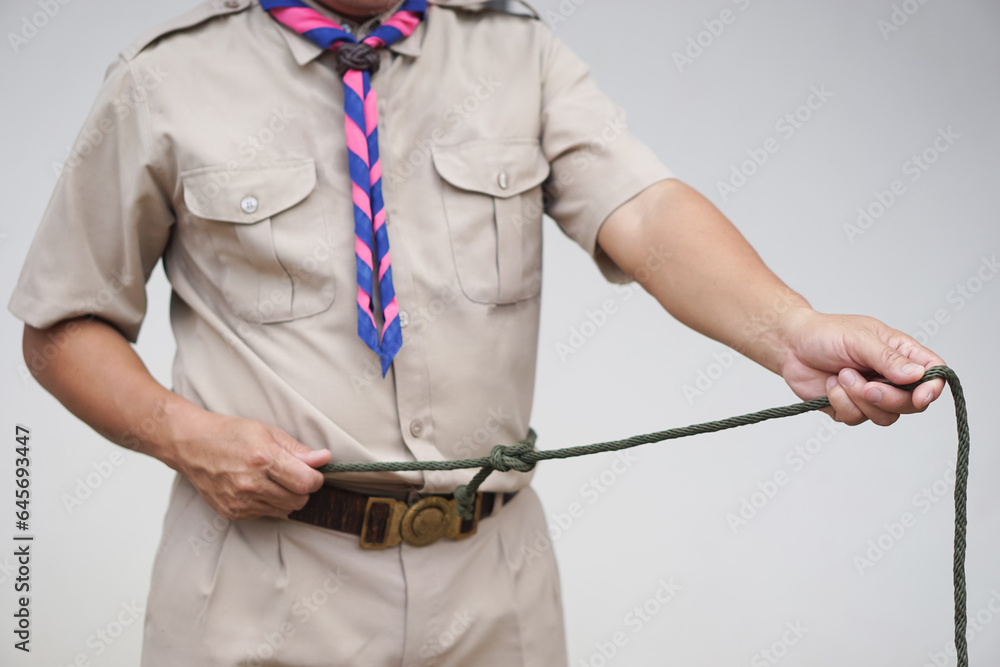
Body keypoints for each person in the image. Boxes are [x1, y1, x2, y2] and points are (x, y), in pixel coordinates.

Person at [9, 0, 947, 664]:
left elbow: (647, 214)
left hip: (497, 598)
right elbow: (62, 323)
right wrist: (189, 437)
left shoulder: (518, 53)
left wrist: (796, 332)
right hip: (262, 592)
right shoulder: (165, 75)